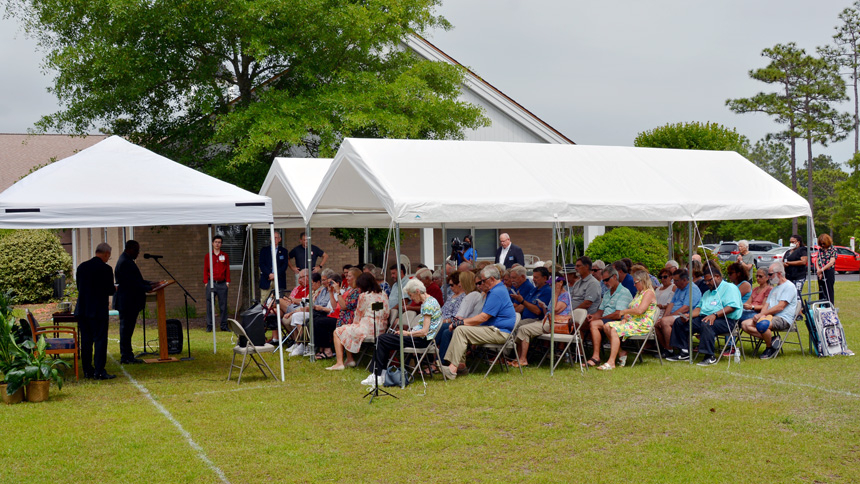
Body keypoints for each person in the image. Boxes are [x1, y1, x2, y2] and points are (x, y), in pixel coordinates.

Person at [361, 278, 442, 386]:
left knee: (382, 339)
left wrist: (407, 333)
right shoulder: (429, 301)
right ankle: (380, 374)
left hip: (421, 340)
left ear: (417, 291)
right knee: (384, 339)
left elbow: (424, 331)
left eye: (411, 295)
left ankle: (378, 374)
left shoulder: (428, 305)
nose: (411, 298)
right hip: (419, 338)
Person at [441, 266, 516, 380]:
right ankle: (459, 365)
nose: (480, 284)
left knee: (460, 329)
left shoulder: (496, 292)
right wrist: (460, 323)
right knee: (459, 329)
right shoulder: (497, 290)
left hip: (499, 332)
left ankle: (452, 369)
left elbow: (483, 317)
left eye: (483, 281)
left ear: (491, 279)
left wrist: (459, 322)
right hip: (494, 329)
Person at [667, 262, 743, 366]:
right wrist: (689, 316)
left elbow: (732, 307)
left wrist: (715, 315)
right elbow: (699, 309)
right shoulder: (708, 293)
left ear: (717, 277)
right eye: (705, 281)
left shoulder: (729, 287)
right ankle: (684, 352)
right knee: (680, 322)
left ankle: (709, 356)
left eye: (709, 280)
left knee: (706, 323)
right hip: (705, 317)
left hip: (726, 320)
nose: (706, 283)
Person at [327, 272, 389, 370]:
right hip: (381, 328)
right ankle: (349, 360)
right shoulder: (383, 294)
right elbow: (387, 313)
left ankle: (340, 363)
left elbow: (358, 314)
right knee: (347, 329)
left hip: (367, 329)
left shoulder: (364, 296)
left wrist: (354, 325)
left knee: (338, 331)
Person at [597, 270, 658, 370]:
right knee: (606, 326)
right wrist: (625, 317)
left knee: (614, 329)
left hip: (642, 324)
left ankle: (611, 362)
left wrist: (624, 312)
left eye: (635, 282)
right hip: (633, 322)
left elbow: (640, 311)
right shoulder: (639, 293)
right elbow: (632, 309)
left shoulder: (649, 293)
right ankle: (621, 352)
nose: (634, 285)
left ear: (642, 281)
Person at [74, 243, 116, 380]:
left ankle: (87, 370)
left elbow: (79, 287)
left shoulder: (82, 267)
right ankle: (99, 371)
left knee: (86, 341)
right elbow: (109, 290)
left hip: (83, 309)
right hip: (98, 310)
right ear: (106, 254)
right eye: (108, 256)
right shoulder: (106, 269)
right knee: (100, 340)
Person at [740, 261, 798, 359]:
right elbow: (766, 305)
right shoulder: (775, 289)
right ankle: (772, 340)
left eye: (770, 274)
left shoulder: (789, 286)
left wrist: (762, 316)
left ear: (779, 273)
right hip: (770, 317)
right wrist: (761, 315)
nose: (769, 277)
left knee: (762, 324)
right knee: (744, 324)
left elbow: (780, 307)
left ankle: (769, 347)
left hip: (783, 318)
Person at [512, 275, 570, 367]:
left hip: (555, 324)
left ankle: (523, 359)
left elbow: (555, 311)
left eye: (553, 284)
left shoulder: (565, 295)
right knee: (521, 327)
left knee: (524, 329)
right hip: (546, 320)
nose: (551, 286)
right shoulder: (555, 295)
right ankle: (518, 358)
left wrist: (556, 293)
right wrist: (544, 307)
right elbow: (549, 312)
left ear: (560, 283)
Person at [114, 240, 156, 365]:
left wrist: (149, 283)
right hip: (128, 302)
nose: (138, 253)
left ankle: (128, 355)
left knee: (127, 330)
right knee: (126, 330)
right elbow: (131, 283)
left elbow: (137, 280)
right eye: (137, 250)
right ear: (130, 249)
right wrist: (147, 288)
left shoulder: (126, 260)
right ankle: (126, 356)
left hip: (128, 301)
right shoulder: (126, 262)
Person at [585, 265, 633, 367]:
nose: (605, 283)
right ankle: (579, 354)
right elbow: (600, 311)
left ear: (615, 277)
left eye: (607, 280)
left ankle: (596, 357)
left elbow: (618, 314)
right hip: (607, 320)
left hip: (619, 320)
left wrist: (598, 319)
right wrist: (593, 316)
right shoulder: (607, 293)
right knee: (587, 322)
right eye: (603, 281)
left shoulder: (624, 292)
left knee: (594, 324)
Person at [435, 270, 484, 364]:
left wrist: (444, 322)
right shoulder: (471, 295)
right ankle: (439, 361)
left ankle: (430, 352)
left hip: (466, 325)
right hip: (464, 323)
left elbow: (461, 316)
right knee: (444, 330)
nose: (460, 284)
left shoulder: (472, 295)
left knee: (444, 329)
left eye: (460, 281)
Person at [656, 269, 702, 359]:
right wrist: (664, 316)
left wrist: (668, 317)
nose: (674, 283)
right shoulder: (679, 288)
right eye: (674, 280)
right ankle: (667, 347)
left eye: (676, 280)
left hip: (686, 315)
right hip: (675, 314)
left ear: (684, 280)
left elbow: (686, 308)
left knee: (665, 322)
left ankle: (670, 350)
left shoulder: (692, 289)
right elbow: (671, 304)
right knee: (656, 324)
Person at [284, 272, 331, 357]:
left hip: (318, 312)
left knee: (297, 316)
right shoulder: (321, 290)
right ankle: (299, 344)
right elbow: (312, 303)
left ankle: (305, 344)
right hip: (313, 310)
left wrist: (313, 307)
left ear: (318, 283)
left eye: (312, 283)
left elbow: (320, 304)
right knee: (295, 316)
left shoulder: (320, 290)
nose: (311, 285)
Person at [311, 273, 342, 359]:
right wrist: (331, 292)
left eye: (330, 283)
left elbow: (335, 309)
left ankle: (327, 350)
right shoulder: (331, 293)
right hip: (330, 315)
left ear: (337, 283)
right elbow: (333, 307)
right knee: (314, 320)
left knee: (319, 322)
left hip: (338, 318)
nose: (328, 285)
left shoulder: (341, 293)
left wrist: (322, 308)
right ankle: (321, 348)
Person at [203, 234, 230, 332]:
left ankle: (224, 325)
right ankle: (209, 325)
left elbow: (227, 269)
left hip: (222, 283)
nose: (217, 244)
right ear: (212, 243)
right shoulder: (208, 256)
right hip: (211, 283)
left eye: (219, 242)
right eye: (216, 242)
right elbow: (205, 269)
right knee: (210, 305)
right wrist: (206, 282)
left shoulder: (225, 256)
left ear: (221, 244)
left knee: (223, 306)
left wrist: (228, 281)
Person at [259, 231, 289, 302]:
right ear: (270, 238)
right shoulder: (264, 250)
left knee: (280, 301)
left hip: (279, 279)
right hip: (267, 279)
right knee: (264, 300)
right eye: (273, 238)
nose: (274, 239)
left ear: (280, 239)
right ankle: (265, 313)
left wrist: (276, 274)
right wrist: (269, 274)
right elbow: (261, 264)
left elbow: (284, 265)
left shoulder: (284, 251)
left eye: (276, 238)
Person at [816, 233, 837, 304]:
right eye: (821, 244)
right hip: (820, 272)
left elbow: (831, 262)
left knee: (829, 290)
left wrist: (822, 269)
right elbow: (817, 260)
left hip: (829, 271)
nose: (822, 245)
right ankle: (821, 305)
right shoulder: (820, 250)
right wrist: (819, 271)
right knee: (821, 289)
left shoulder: (832, 249)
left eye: (824, 244)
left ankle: (830, 305)